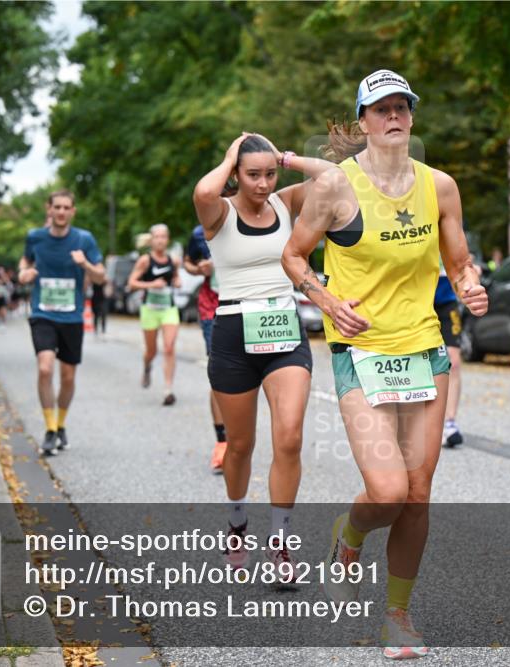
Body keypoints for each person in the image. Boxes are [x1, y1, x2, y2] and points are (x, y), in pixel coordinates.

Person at [282, 69, 488, 659]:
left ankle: (397, 615)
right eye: (381, 109)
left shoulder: (440, 187)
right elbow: (293, 255)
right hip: (361, 351)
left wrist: (469, 287)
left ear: (411, 118)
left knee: (417, 493)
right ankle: (348, 538)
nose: (393, 116)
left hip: (424, 349)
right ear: (364, 121)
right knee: (388, 488)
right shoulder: (334, 188)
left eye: (402, 107)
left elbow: (459, 262)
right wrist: (325, 300)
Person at [192, 133, 331, 581]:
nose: (263, 184)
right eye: (254, 175)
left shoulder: (287, 203)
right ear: (236, 173)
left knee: (288, 437)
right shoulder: (220, 212)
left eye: (270, 174)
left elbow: (333, 178)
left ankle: (280, 546)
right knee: (240, 446)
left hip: (284, 330)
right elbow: (204, 191)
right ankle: (236, 523)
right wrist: (232, 153)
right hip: (232, 333)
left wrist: (285, 158)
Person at [18, 189, 105, 456]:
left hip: (72, 316)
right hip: (43, 313)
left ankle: (61, 423)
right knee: (45, 369)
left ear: (72, 211)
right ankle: (49, 429)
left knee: (68, 377)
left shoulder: (84, 239)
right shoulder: (36, 237)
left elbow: (101, 277)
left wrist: (85, 265)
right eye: (57, 207)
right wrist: (24, 273)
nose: (61, 212)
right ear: (49, 209)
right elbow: (25, 259)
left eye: (67, 207)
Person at [184, 223, 227, 473]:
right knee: (218, 372)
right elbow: (188, 262)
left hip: (250, 305)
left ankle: (241, 440)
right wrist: (200, 268)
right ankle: (222, 441)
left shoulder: (260, 218)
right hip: (213, 307)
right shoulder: (200, 232)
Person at [128, 224, 182, 404]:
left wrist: (177, 281)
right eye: (157, 237)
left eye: (163, 236)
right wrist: (151, 285)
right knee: (151, 351)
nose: (160, 240)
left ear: (167, 239)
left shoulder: (173, 260)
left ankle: (168, 390)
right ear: (151, 240)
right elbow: (132, 283)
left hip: (168, 308)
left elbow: (176, 277)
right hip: (150, 309)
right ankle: (147, 365)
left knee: (169, 347)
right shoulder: (145, 260)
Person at [434, 263, 464, 447]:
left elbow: (462, 259)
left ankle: (449, 423)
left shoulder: (449, 232)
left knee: (454, 362)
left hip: (446, 301)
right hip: (416, 300)